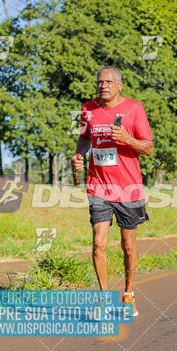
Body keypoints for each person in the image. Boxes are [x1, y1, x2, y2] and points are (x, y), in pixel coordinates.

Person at [71, 66, 153, 317]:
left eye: (108, 82)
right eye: (100, 82)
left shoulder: (134, 109)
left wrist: (127, 139)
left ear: (119, 85)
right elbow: (85, 138)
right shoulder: (88, 109)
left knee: (128, 246)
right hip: (99, 185)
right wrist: (79, 155)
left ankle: (128, 294)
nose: (103, 86)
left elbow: (148, 147)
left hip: (129, 187)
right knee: (98, 242)